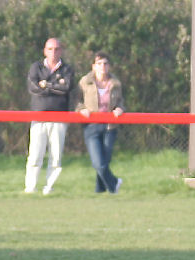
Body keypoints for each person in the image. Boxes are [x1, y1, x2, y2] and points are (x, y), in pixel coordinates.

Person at [24, 38, 74, 195]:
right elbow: (33, 88)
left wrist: (45, 85)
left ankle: (49, 188)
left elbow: (66, 88)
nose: (54, 52)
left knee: (56, 157)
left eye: (57, 49)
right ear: (45, 51)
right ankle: (30, 188)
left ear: (61, 51)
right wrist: (54, 85)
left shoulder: (67, 69)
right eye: (50, 49)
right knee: (35, 156)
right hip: (38, 117)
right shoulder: (36, 67)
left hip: (59, 118)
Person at [76, 52, 124, 194]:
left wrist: (120, 108)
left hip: (110, 126)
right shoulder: (85, 82)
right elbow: (76, 100)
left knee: (105, 161)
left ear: (109, 66)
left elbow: (120, 101)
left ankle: (100, 191)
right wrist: (81, 109)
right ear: (93, 66)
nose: (102, 66)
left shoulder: (115, 83)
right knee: (98, 163)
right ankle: (114, 183)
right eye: (99, 63)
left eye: (105, 63)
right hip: (91, 126)